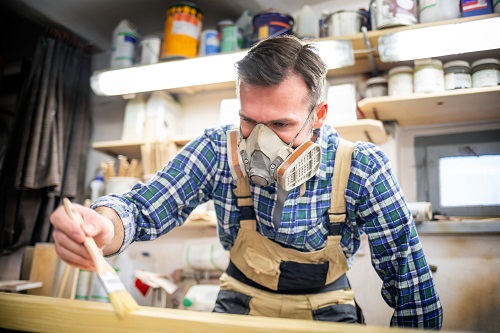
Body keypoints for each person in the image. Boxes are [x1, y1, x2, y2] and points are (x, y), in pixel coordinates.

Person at [50, 35, 443, 328]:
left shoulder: (362, 168)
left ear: (318, 114)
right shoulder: (218, 150)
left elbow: (412, 286)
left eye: (280, 124)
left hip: (326, 305)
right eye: (249, 120)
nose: (259, 140)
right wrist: (104, 226)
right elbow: (141, 207)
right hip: (241, 299)